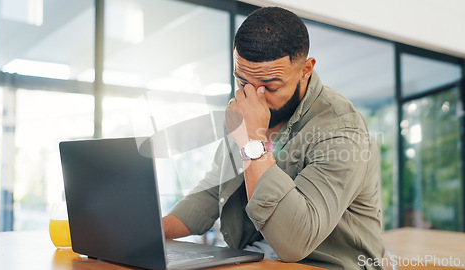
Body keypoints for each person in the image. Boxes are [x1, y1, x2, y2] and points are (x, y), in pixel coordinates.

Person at [162, 6, 385, 270]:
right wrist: (150, 231)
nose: (254, 97)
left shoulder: (342, 130)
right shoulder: (245, 109)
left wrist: (253, 141)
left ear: (305, 70)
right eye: (243, 81)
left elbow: (294, 242)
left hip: (324, 263)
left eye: (271, 86)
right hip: (254, 257)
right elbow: (214, 191)